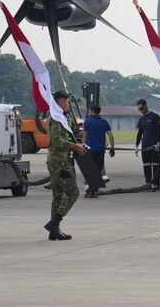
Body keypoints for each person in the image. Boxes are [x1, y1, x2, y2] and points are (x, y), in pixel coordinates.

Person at [44, 92, 87, 241]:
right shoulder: (56, 119)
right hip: (60, 162)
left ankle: (54, 231)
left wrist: (76, 141)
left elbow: (60, 138)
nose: (68, 105)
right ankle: (54, 223)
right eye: (66, 102)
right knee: (73, 193)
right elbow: (56, 140)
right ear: (59, 102)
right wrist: (74, 146)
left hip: (54, 160)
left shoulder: (58, 118)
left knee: (58, 196)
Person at [81, 104, 114, 190]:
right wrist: (112, 148)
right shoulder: (104, 122)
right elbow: (110, 135)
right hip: (100, 150)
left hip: (90, 150)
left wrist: (83, 145)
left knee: (90, 169)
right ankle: (95, 189)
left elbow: (84, 136)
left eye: (89, 110)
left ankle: (90, 187)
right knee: (98, 169)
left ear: (92, 111)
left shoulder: (87, 121)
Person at [135, 98, 160, 191]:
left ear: (146, 105)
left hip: (154, 145)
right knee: (146, 165)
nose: (141, 111)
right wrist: (136, 145)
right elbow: (139, 133)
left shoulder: (155, 117)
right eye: (139, 109)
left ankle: (156, 184)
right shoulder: (142, 119)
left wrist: (158, 143)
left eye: (141, 108)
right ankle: (148, 183)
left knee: (155, 165)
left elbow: (159, 131)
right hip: (145, 146)